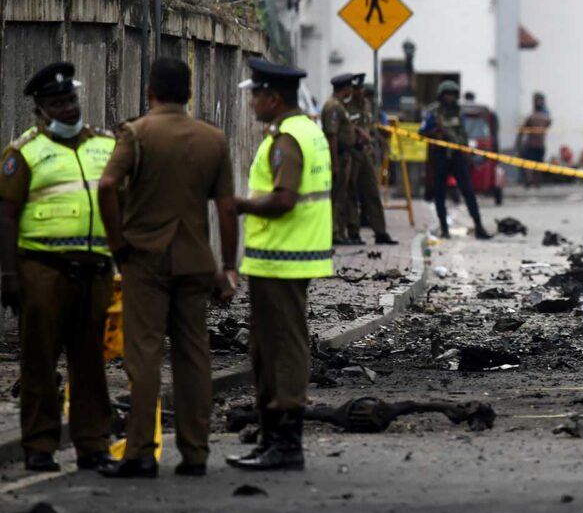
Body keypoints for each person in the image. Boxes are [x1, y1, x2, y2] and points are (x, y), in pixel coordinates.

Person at [95, 58, 239, 479]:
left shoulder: (137, 133)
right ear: (190, 93)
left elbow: (107, 185)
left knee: (144, 355)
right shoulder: (213, 139)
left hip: (145, 261)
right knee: (194, 356)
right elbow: (227, 209)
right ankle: (195, 452)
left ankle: (140, 450)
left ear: (150, 92)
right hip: (195, 262)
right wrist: (228, 266)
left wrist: (117, 241)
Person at [0, 62, 115, 473]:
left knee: (91, 364)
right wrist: (9, 275)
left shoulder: (104, 145)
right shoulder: (23, 153)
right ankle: (40, 446)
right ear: (40, 109)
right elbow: (7, 216)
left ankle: (93, 444)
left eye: (70, 100)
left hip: (95, 273)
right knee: (39, 364)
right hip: (43, 273)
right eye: (57, 103)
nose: (67, 109)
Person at [227, 58, 334, 472]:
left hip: (282, 259)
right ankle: (272, 438)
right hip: (287, 257)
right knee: (265, 348)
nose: (252, 102)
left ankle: (286, 444)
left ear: (272, 97)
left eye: (255, 94)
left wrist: (237, 205)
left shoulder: (287, 139)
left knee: (282, 349)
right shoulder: (308, 130)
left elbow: (284, 198)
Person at [420, 81, 493, 240]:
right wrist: (435, 132)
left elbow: (462, 133)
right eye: (447, 95)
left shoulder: (458, 111)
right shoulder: (433, 112)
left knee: (468, 192)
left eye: (453, 95)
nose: (450, 98)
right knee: (439, 193)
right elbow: (422, 132)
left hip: (458, 155)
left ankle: (479, 226)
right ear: (441, 96)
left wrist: (466, 152)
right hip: (440, 156)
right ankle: (444, 229)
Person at [345, 75, 397, 245]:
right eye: (360, 91)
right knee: (351, 193)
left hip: (366, 154)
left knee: (372, 192)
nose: (363, 95)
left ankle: (380, 232)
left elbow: (374, 128)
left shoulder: (368, 108)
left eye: (365, 92)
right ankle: (353, 232)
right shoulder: (346, 107)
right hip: (351, 152)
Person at [322, 74, 358, 245]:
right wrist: (335, 163)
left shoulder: (339, 106)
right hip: (339, 156)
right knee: (336, 196)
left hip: (345, 155)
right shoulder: (333, 107)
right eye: (349, 87)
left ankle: (340, 231)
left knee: (342, 195)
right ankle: (334, 232)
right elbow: (332, 136)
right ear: (345, 88)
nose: (351, 90)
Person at [517, 93, 552, 188]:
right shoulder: (546, 118)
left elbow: (522, 130)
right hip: (541, 145)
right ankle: (538, 183)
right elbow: (549, 123)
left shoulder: (531, 117)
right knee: (539, 164)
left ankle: (529, 181)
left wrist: (518, 142)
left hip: (531, 144)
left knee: (528, 164)